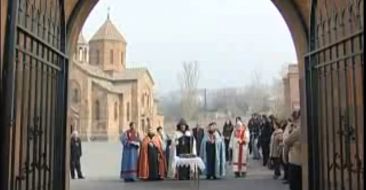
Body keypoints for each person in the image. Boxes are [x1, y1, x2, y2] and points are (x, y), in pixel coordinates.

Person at [284, 110, 302, 190]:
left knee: (295, 185)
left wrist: (288, 128)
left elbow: (287, 141)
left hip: (296, 162)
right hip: (304, 163)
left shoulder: (299, 130)